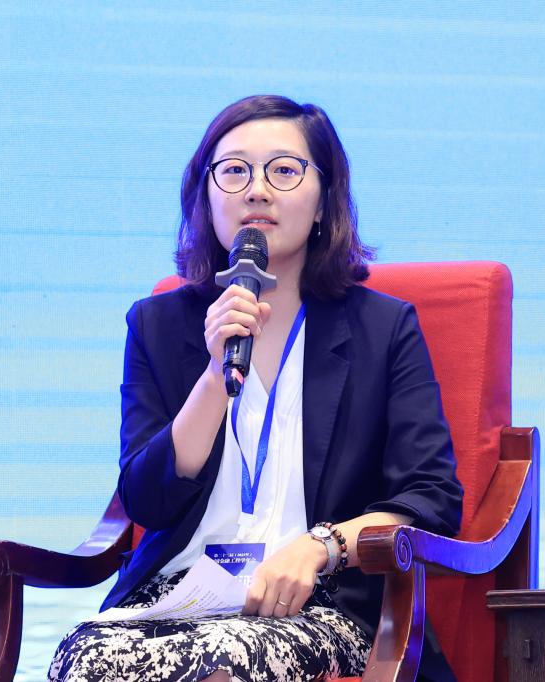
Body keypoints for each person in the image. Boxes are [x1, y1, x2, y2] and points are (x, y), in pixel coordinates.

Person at [49, 95, 462, 682]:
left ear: (324, 200)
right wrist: (213, 378)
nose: (257, 191)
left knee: (224, 661)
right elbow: (146, 502)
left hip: (319, 603)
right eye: (235, 171)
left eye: (284, 170)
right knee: (82, 654)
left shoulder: (382, 328)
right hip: (177, 598)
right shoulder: (157, 325)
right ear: (206, 197)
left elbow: (433, 499)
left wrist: (322, 546)